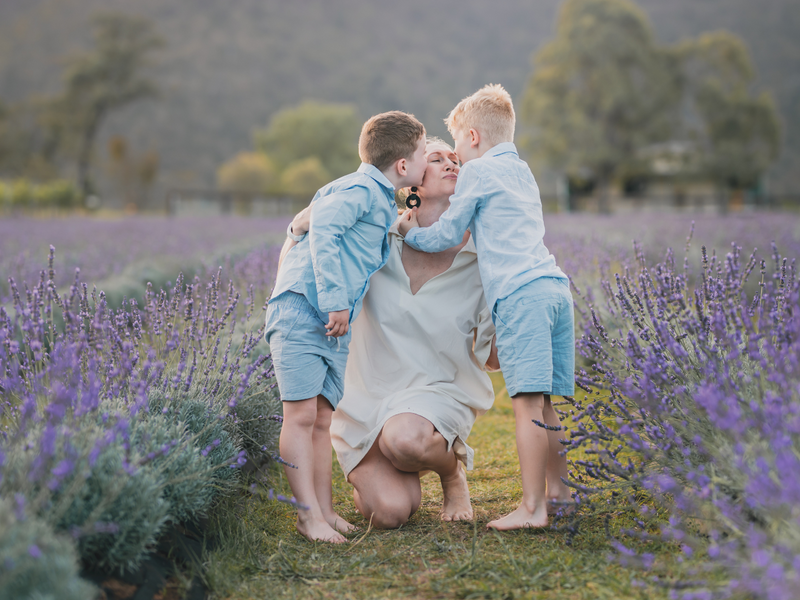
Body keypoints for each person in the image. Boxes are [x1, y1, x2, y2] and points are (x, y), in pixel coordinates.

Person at [288, 138, 499, 528]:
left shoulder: (482, 256)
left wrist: (519, 302)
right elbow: (319, 223)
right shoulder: (379, 234)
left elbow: (494, 359)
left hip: (438, 390)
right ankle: (391, 466)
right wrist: (300, 224)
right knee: (388, 513)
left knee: (406, 440)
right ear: (411, 179)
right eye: (436, 159)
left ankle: (451, 473)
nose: (453, 163)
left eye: (456, 159)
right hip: (367, 395)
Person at [398, 84, 574, 530]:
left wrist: (409, 234)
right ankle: (560, 494)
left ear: (473, 137)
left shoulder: (477, 175)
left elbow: (447, 233)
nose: (456, 157)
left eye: (456, 146)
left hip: (521, 294)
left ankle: (532, 509)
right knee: (547, 404)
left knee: (527, 406)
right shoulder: (522, 171)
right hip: (554, 287)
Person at [265, 111, 427, 543]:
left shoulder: (378, 196)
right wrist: (336, 300)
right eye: (423, 154)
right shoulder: (357, 189)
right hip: (306, 309)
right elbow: (323, 231)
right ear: (403, 165)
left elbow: (392, 227)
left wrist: (414, 198)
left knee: (321, 418)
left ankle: (324, 510)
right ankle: (306, 517)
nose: (429, 160)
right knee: (299, 417)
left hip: (331, 318)